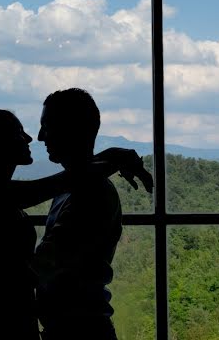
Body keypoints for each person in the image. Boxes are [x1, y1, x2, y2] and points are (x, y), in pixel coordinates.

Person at [0, 108, 151, 340]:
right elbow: (65, 180)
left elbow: (65, 180)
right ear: (0, 145)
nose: (30, 138)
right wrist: (117, 156)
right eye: (19, 132)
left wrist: (116, 155)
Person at [33, 88, 134, 339]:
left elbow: (48, 262)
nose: (40, 136)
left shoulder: (89, 192)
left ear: (70, 129)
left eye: (47, 126)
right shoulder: (72, 186)